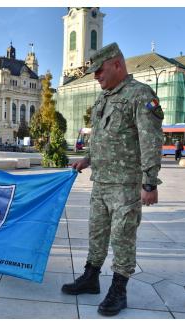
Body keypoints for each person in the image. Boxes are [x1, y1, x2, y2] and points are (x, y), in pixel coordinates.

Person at [61, 43, 164, 317]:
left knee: (122, 239)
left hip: (126, 186)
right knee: (96, 233)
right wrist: (88, 159)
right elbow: (101, 138)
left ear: (117, 64)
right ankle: (91, 278)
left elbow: (151, 141)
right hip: (102, 182)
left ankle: (119, 290)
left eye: (99, 70)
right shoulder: (104, 99)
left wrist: (149, 183)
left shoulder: (139, 95)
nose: (95, 76)